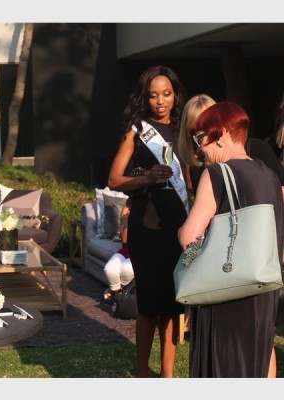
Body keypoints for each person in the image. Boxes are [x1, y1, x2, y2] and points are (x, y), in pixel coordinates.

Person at [178, 101, 284, 377]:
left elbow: (190, 236)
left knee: (224, 365)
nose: (199, 148)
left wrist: (186, 245)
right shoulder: (270, 175)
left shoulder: (215, 174)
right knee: (260, 355)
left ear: (222, 134)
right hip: (263, 288)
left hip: (226, 289)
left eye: (201, 138)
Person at [108, 65, 187, 378]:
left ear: (175, 95)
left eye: (166, 94)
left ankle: (167, 375)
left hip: (178, 228)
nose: (160, 101)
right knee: (149, 304)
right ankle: (142, 372)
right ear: (145, 98)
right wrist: (147, 178)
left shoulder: (184, 130)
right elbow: (114, 179)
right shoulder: (137, 131)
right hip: (147, 227)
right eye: (153, 95)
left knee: (172, 304)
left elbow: (191, 181)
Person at [102, 197, 133, 300]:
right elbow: (124, 240)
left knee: (126, 269)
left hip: (141, 252)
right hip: (126, 249)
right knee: (109, 269)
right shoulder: (127, 208)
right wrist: (125, 218)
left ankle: (121, 293)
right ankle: (118, 294)